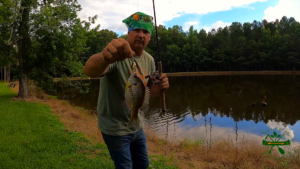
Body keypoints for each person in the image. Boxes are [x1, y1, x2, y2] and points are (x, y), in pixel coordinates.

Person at [83, 11, 169, 169]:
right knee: (125, 166)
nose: (141, 35)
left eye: (145, 32)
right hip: (115, 127)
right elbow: (90, 70)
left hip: (137, 124)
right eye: (136, 30)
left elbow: (149, 92)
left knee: (143, 164)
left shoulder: (149, 59)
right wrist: (105, 57)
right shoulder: (117, 54)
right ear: (128, 33)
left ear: (149, 38)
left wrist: (160, 87)